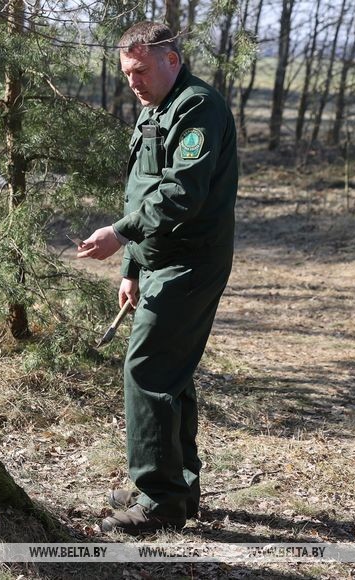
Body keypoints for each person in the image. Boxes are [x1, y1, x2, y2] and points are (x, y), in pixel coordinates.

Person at [77, 21, 237, 534]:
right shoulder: (155, 109)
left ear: (172, 60)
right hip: (158, 260)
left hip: (190, 262)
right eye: (127, 73)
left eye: (141, 70)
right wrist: (131, 266)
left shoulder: (197, 107)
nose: (133, 82)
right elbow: (141, 190)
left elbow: (181, 194)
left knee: (148, 370)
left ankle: (160, 503)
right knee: (171, 374)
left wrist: (118, 235)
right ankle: (176, 487)